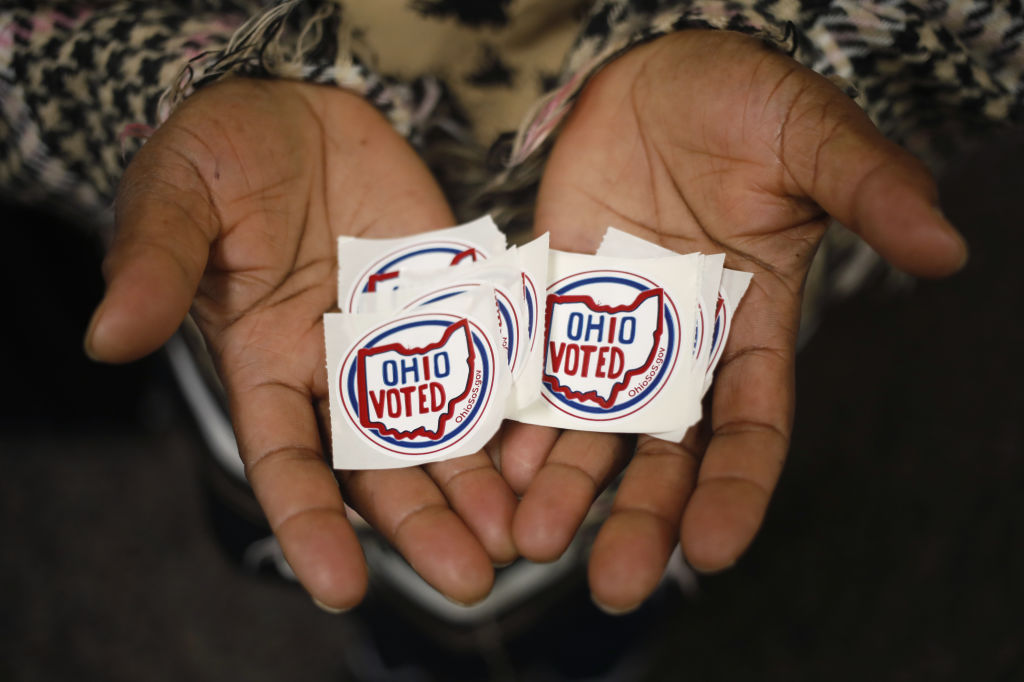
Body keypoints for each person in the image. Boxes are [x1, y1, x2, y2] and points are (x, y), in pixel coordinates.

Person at [2, 0, 1016, 617]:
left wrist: (805, 52)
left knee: (619, 539)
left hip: (723, 250)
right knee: (312, 510)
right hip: (275, 300)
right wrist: (156, 91)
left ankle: (585, 639)